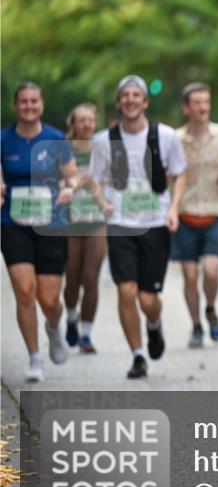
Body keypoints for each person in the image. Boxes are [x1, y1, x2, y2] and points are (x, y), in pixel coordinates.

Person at [88, 75, 187, 379]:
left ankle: (154, 326)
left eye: (136, 95)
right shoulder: (105, 140)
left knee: (147, 298)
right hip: (120, 224)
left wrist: (173, 209)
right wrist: (102, 202)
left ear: (145, 102)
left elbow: (180, 173)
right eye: (125, 95)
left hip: (155, 224)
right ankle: (138, 354)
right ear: (119, 102)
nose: (130, 100)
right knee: (126, 291)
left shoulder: (166, 136)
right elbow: (95, 178)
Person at [1, 82, 80, 381]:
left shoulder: (55, 138)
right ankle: (34, 358)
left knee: (49, 299)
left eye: (34, 101)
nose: (29, 106)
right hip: (13, 223)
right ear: (15, 106)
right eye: (24, 102)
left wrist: (69, 189)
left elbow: (72, 177)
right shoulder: (3, 140)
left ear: (42, 105)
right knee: (24, 291)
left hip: (51, 224)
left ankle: (53, 327)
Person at [173, 82, 218, 348]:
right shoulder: (175, 139)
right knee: (189, 276)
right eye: (197, 103)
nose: (202, 107)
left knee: (211, 270)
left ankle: (210, 308)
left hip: (214, 212)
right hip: (186, 214)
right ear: (186, 108)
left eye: (206, 102)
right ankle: (196, 325)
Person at [63, 103, 108, 353]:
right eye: (81, 120)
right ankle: (71, 317)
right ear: (73, 124)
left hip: (97, 222)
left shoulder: (104, 151)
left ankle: (86, 335)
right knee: (72, 277)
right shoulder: (64, 150)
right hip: (69, 223)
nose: (87, 125)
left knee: (91, 277)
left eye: (90, 120)